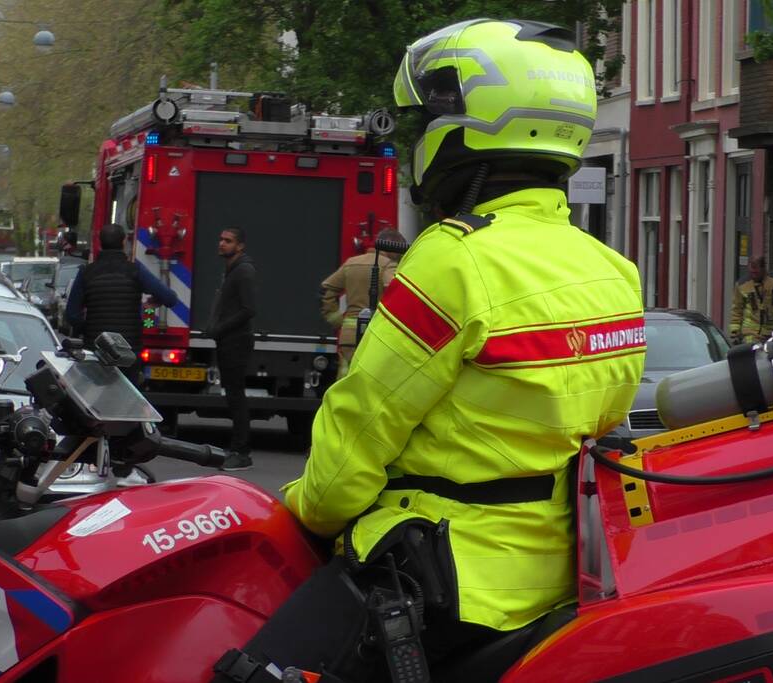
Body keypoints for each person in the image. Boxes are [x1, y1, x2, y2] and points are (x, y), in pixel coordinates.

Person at [212, 19, 645, 683]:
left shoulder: (454, 260)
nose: (420, 139)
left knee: (245, 672)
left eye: (427, 121)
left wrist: (307, 511)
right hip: (562, 584)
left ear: (470, 126)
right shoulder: (613, 271)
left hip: (441, 586)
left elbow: (361, 428)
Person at [64, 222, 178, 382]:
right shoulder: (135, 271)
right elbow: (170, 299)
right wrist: (154, 301)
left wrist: (89, 329)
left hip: (96, 350)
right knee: (127, 395)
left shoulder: (86, 273)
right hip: (128, 352)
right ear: (124, 242)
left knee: (96, 395)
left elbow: (72, 315)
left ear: (100, 243)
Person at [319, 228, 407, 378]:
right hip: (374, 336)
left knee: (345, 377)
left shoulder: (351, 263)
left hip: (348, 337)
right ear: (392, 246)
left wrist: (337, 320)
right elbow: (395, 292)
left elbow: (325, 291)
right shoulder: (388, 265)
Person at [204, 226, 256, 472]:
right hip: (228, 340)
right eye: (221, 239)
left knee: (236, 396)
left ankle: (241, 452)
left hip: (236, 341)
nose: (222, 243)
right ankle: (237, 448)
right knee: (233, 395)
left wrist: (220, 328)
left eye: (228, 240)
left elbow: (248, 309)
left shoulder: (243, 271)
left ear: (240, 246)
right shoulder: (232, 270)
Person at [729, 256, 773, 344]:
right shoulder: (742, 285)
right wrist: (735, 332)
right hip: (751, 333)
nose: (753, 275)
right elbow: (736, 310)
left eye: (756, 272)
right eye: (751, 272)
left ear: (764, 269)